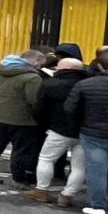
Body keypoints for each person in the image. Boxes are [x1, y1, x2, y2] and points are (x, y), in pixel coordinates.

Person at [64, 46, 108, 214]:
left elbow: (69, 109)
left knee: (97, 170)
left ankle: (98, 206)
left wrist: (79, 125)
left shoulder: (85, 84)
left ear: (100, 66)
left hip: (93, 133)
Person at [0, 48, 46, 186]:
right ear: (35, 61)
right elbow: (33, 100)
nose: (40, 67)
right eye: (40, 64)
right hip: (23, 119)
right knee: (21, 149)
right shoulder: (32, 77)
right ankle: (19, 178)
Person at [30, 53, 88, 205]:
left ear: (65, 68)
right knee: (79, 165)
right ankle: (66, 196)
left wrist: (44, 125)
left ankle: (41, 190)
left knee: (46, 158)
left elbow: (39, 108)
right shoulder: (88, 83)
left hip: (59, 128)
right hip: (85, 130)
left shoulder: (51, 84)